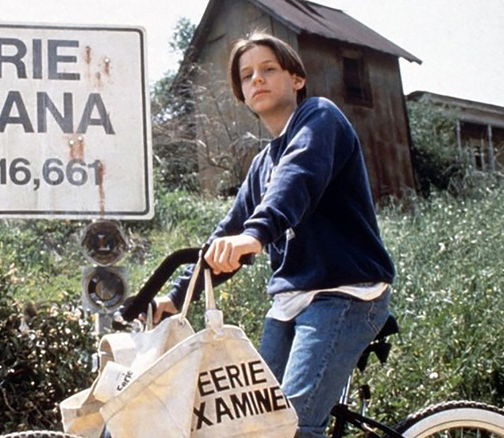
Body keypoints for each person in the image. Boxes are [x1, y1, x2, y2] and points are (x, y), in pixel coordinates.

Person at [151, 32, 395, 438]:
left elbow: (299, 178)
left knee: (292, 426)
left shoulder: (320, 118)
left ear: (297, 79)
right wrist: (177, 298)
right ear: (242, 94)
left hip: (346, 295)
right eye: (246, 76)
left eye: (268, 69)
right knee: (253, 423)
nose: (256, 80)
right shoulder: (263, 163)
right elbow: (228, 231)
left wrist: (257, 235)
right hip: (288, 302)